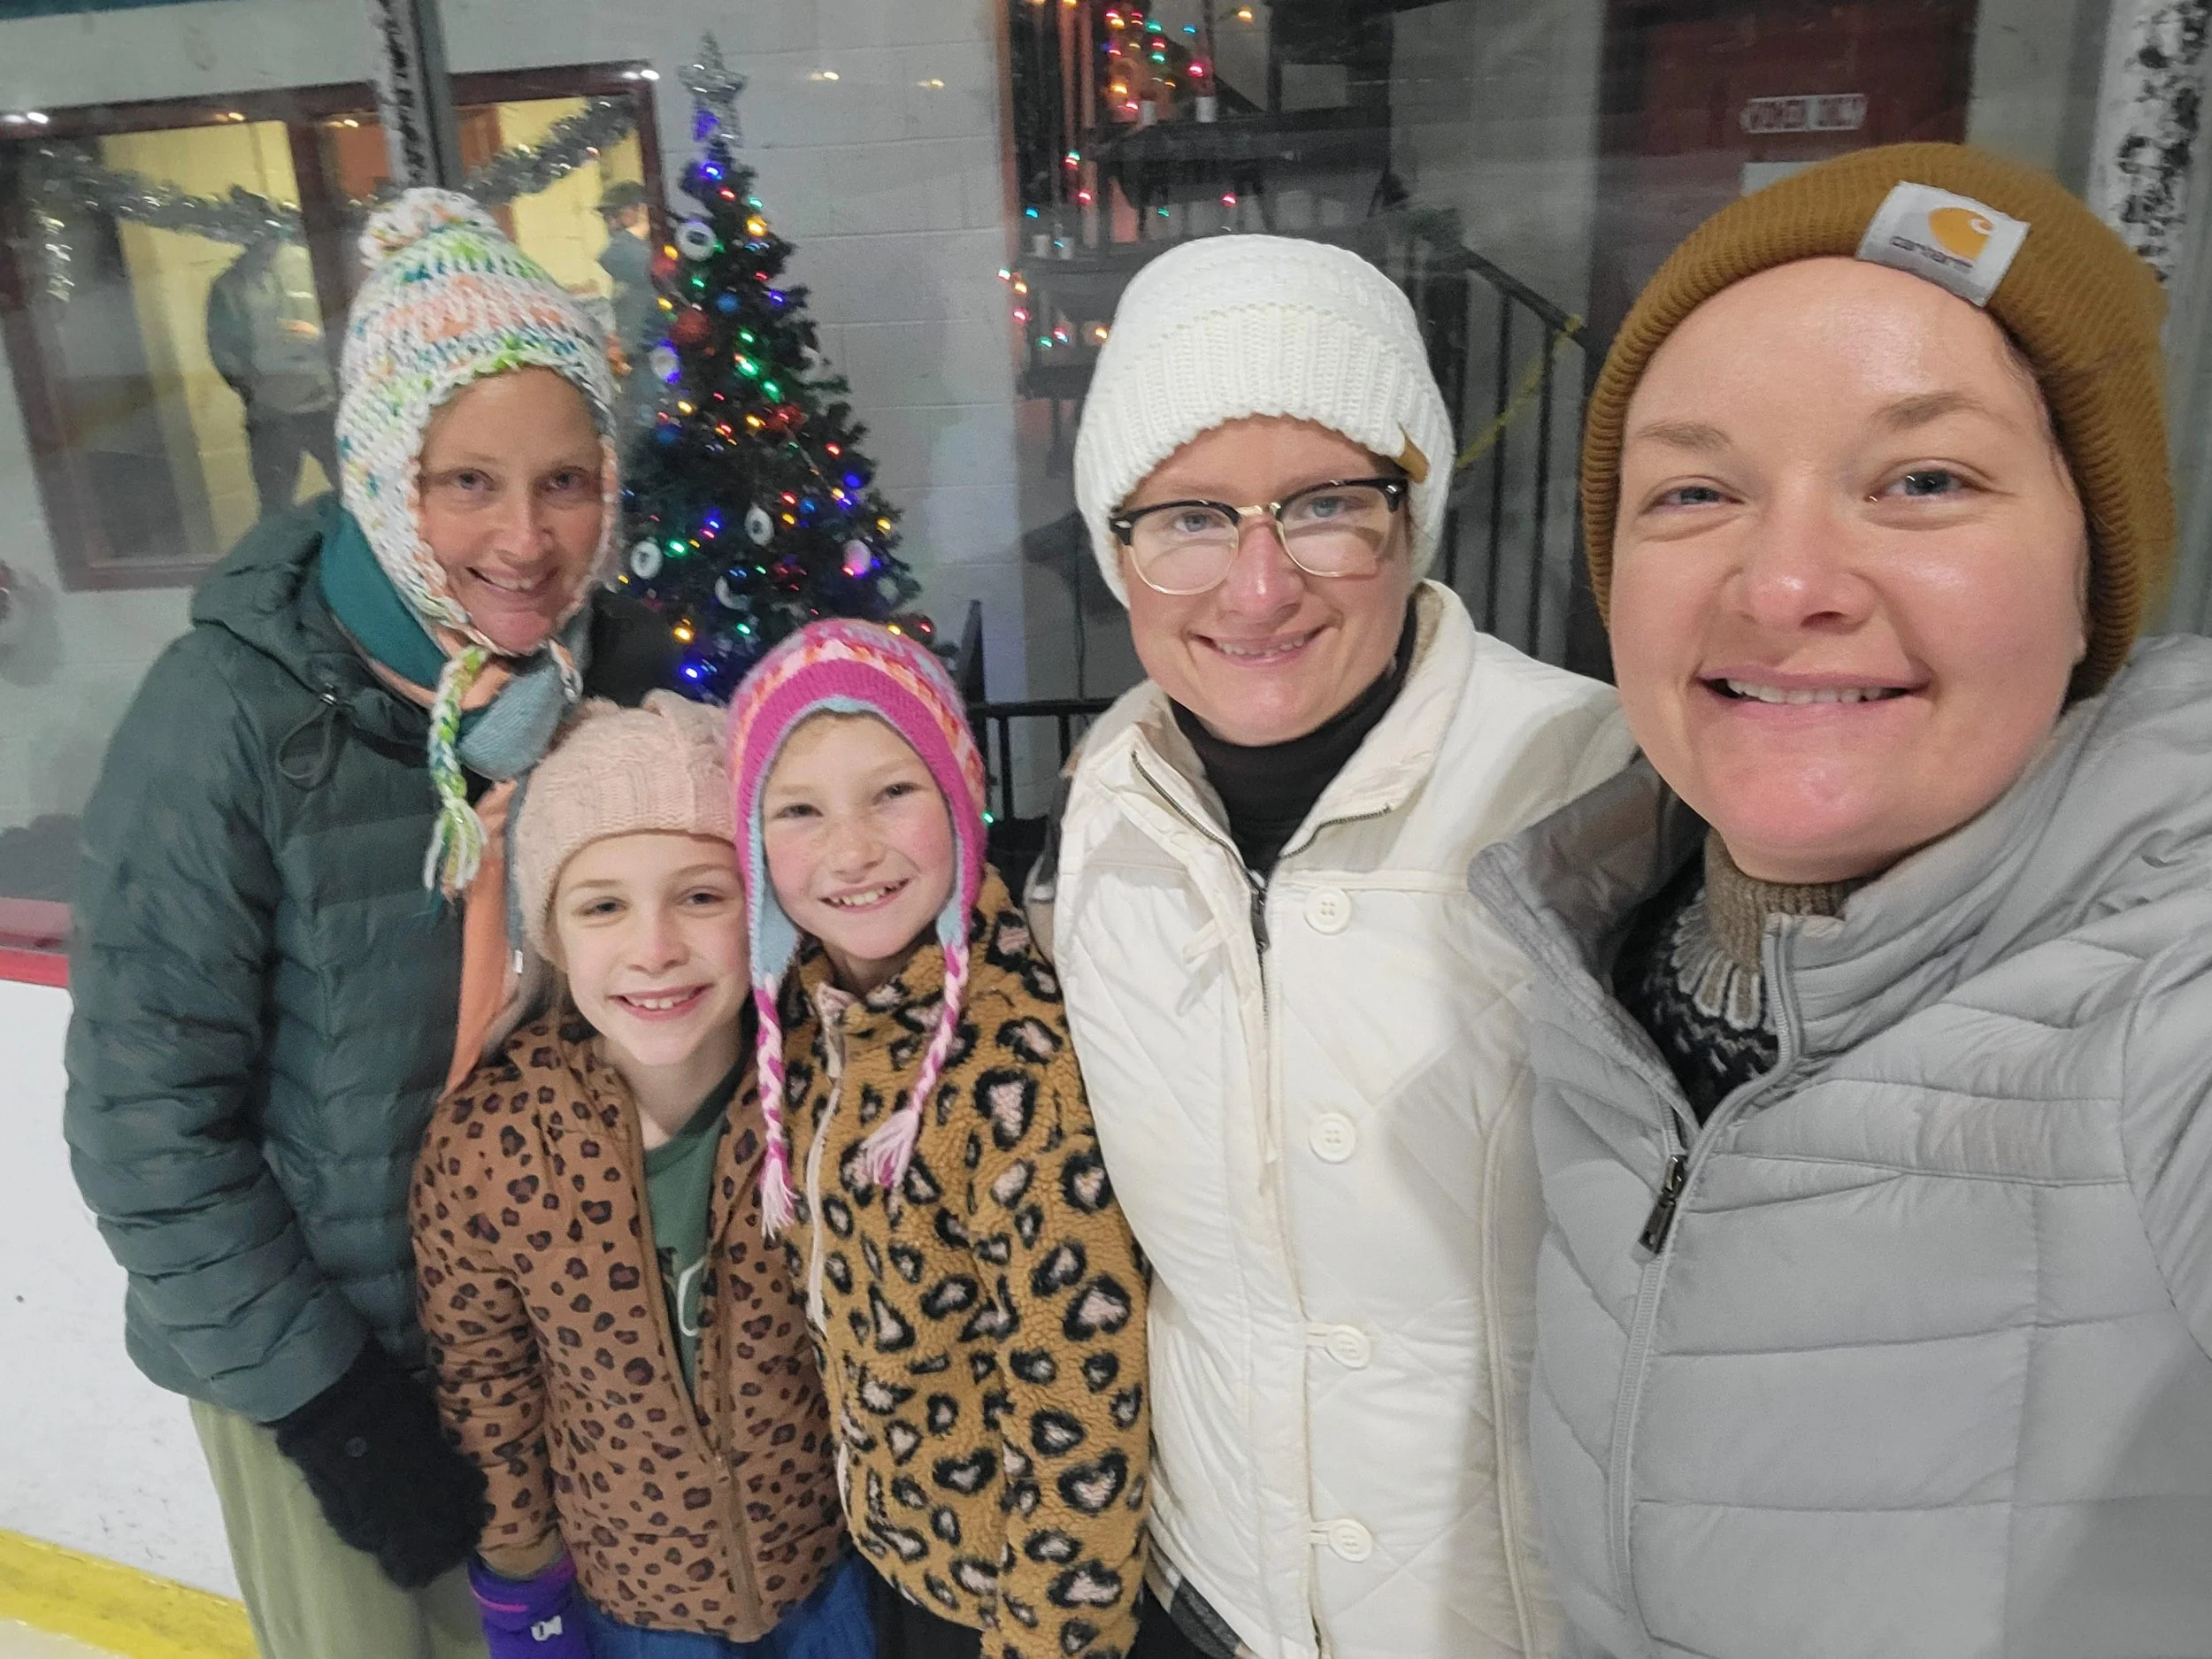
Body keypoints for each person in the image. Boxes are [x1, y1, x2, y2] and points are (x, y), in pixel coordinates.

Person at [1469, 143, 2212, 1656]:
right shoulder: (1596, 966)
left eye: (1923, 478)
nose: (1786, 579)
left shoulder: (2167, 996)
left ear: (2093, 574)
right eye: (1695, 489)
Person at [65, 189, 674, 1659]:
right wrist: (333, 1410)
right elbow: (147, 1126)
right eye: (467, 483)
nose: (524, 541)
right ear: (383, 479)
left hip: (552, 1350)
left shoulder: (603, 688)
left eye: (565, 481)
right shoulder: (226, 715)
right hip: (334, 1365)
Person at [1040, 236, 1636, 1659]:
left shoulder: (1600, 786)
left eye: (1321, 506)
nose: (1256, 586)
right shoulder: (1105, 817)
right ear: (1116, 547)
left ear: (1410, 517)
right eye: (1187, 516)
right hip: (1211, 1601)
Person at [726, 621, 1151, 1659]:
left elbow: (1079, 1415)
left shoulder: (1012, 1070)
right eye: (799, 811)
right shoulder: (818, 1019)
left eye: (892, 792)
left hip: (1005, 1601)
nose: (851, 849)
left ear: (961, 802)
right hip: (892, 1555)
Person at [413, 692, 865, 1657]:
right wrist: (521, 1586)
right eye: (604, 905)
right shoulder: (493, 1148)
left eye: (700, 896)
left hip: (831, 1583)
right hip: (637, 1606)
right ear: (554, 933)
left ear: (757, 910)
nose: (654, 948)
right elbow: (487, 1383)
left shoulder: (829, 1094)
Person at [206, 232, 341, 517]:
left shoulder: (306, 269)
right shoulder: (228, 287)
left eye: (274, 238)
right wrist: (254, 391)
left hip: (320, 401)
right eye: (262, 238)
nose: (271, 246)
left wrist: (319, 340)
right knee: (276, 507)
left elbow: (339, 328)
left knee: (353, 490)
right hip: (270, 414)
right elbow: (223, 352)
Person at [599, 180, 658, 370]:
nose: (611, 223)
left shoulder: (651, 251)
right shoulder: (632, 249)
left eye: (616, 215)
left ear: (641, 212)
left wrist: (635, 233)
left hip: (658, 361)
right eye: (606, 217)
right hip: (637, 362)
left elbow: (614, 258)